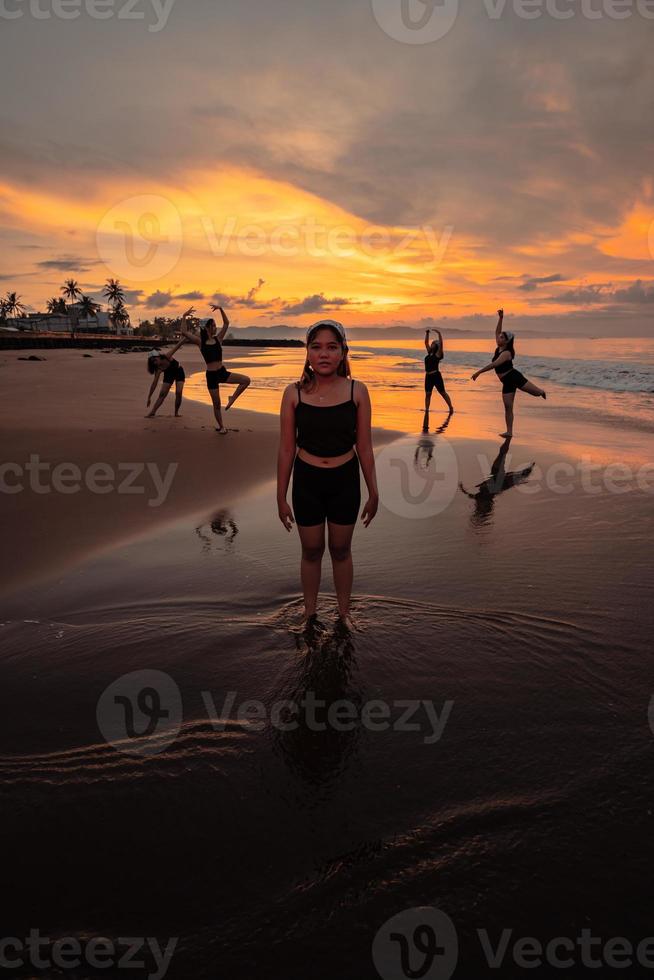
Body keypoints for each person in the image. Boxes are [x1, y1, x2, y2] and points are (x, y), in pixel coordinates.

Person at [277, 319, 379, 629]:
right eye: (316, 347)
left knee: (340, 549)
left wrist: (374, 493)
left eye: (332, 347)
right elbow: (285, 450)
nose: (324, 354)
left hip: (344, 482)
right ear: (307, 353)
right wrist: (280, 497)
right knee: (311, 550)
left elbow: (365, 447)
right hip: (307, 481)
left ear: (344, 352)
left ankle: (344, 614)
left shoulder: (356, 391)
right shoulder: (293, 393)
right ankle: (310, 614)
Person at [471, 308, 546, 437]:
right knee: (507, 407)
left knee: (535, 393)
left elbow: (494, 364)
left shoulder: (506, 353)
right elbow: (497, 331)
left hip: (514, 377)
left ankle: (541, 391)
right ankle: (509, 432)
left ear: (506, 341)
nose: (498, 337)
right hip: (506, 382)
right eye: (499, 337)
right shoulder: (499, 348)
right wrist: (501, 318)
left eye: (501, 337)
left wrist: (479, 372)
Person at [179, 305, 251, 434]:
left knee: (246, 380)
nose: (215, 327)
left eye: (215, 325)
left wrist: (221, 309)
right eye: (212, 325)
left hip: (222, 372)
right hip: (211, 375)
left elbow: (226, 323)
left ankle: (232, 398)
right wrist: (184, 316)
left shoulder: (218, 339)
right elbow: (184, 332)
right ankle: (221, 426)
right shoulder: (200, 342)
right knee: (216, 404)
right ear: (206, 327)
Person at [145, 338, 187, 418]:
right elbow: (154, 384)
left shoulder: (167, 356)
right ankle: (153, 412)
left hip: (179, 371)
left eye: (155, 359)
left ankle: (176, 413)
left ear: (159, 356)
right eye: (153, 362)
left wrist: (186, 338)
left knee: (178, 392)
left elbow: (177, 346)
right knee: (162, 394)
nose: (155, 362)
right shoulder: (158, 369)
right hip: (169, 374)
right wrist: (149, 397)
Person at [423, 328, 454, 413]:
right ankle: (426, 410)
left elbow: (442, 344)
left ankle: (451, 407)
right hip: (428, 376)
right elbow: (426, 343)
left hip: (436, 376)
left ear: (437, 346)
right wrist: (427, 333)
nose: (432, 343)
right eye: (432, 342)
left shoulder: (438, 354)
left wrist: (439, 333)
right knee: (428, 394)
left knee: (442, 393)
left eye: (434, 343)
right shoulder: (429, 353)